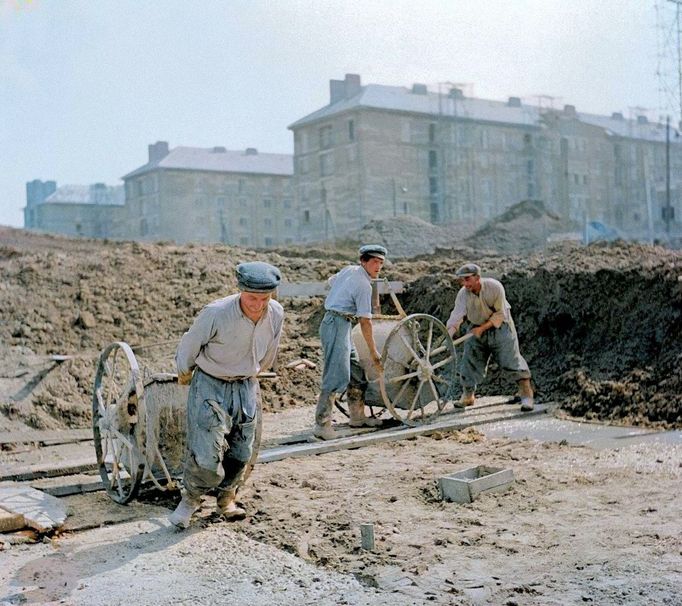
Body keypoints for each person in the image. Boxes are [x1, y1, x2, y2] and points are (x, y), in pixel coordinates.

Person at [169, 261, 284, 529]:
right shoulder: (216, 313)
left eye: (264, 298)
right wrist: (185, 374)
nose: (257, 304)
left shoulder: (276, 313)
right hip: (211, 383)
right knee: (207, 453)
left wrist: (251, 372)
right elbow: (188, 347)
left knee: (242, 450)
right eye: (252, 298)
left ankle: (226, 499)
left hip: (246, 385)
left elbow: (271, 351)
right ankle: (190, 500)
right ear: (240, 290)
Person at [313, 245, 388, 440]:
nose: (378, 266)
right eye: (374, 262)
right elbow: (365, 321)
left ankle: (357, 416)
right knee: (336, 374)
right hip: (336, 324)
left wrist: (342, 294)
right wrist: (373, 351)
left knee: (355, 369)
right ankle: (322, 425)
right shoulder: (364, 285)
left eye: (381, 262)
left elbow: (331, 282)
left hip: (341, 323)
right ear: (363, 261)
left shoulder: (349, 270)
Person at [445, 263, 534, 411]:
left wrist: (482, 328)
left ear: (477, 278)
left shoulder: (495, 287)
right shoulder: (463, 294)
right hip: (476, 327)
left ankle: (526, 395)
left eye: (467, 279)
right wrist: (449, 333)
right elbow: (456, 316)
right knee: (470, 361)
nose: (464, 284)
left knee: (510, 360)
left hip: (501, 327)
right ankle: (468, 396)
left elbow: (501, 313)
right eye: (462, 280)